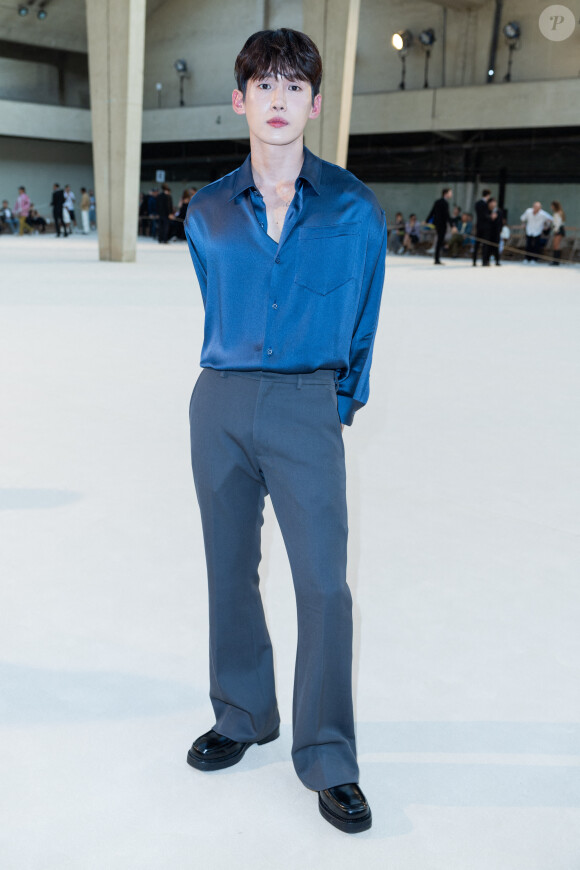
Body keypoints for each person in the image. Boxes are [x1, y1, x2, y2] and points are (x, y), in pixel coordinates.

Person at [183, 28, 386, 835]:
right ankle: (241, 714)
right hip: (221, 403)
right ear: (240, 100)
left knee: (324, 585)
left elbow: (366, 320)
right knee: (229, 571)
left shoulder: (352, 207)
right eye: (262, 86)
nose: (277, 100)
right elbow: (215, 300)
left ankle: (329, 756)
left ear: (316, 102)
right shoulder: (207, 211)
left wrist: (327, 408)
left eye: (293, 86)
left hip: (307, 403)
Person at [426, 187, 453, 265]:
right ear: (446, 193)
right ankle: (437, 259)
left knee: (439, 241)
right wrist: (452, 225)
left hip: (437, 224)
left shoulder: (437, 201)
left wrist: (427, 220)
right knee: (440, 241)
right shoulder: (445, 203)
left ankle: (437, 258)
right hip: (442, 224)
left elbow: (432, 212)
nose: (451, 194)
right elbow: (447, 215)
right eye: (450, 193)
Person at [472, 189, 492, 266]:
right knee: (485, 244)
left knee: (477, 244)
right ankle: (484, 261)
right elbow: (485, 215)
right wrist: (491, 217)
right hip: (485, 227)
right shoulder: (486, 204)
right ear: (488, 195)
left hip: (479, 225)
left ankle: (474, 261)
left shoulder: (477, 203)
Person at [550, 200, 566, 266]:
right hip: (559, 230)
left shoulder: (557, 213)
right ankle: (555, 261)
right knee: (556, 246)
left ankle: (556, 261)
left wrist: (555, 230)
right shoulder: (559, 213)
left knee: (556, 246)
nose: (551, 207)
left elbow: (558, 223)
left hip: (558, 230)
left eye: (552, 205)